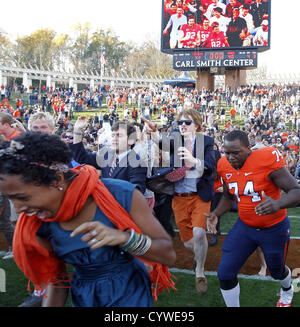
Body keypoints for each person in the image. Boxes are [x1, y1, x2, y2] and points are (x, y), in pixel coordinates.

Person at [0, 133, 176, 307]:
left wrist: (125, 238)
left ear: (56, 180)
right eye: (11, 199)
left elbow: (167, 255)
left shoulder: (120, 194)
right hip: (84, 298)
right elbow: (57, 281)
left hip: (130, 295)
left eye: (23, 198)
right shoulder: (40, 223)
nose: (18, 209)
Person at [206, 130, 300, 307]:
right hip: (245, 227)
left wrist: (278, 204)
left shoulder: (265, 159)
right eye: (227, 153)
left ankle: (287, 290)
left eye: (236, 152)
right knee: (225, 273)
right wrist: (215, 214)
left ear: (248, 149)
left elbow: (296, 191)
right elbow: (228, 196)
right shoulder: (223, 165)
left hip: (274, 227)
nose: (231, 157)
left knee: (277, 271)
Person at [151, 109, 215, 295]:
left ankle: (200, 272)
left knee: (199, 232)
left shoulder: (207, 141)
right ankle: (198, 256)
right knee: (189, 243)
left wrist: (194, 160)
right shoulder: (176, 141)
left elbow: (211, 166)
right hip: (179, 197)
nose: (183, 126)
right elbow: (163, 144)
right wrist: (155, 132)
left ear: (197, 124)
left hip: (199, 196)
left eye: (187, 122)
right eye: (180, 123)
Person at [70, 117, 148, 195]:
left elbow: (137, 193)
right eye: (113, 135)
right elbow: (82, 158)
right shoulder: (107, 156)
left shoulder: (137, 163)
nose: (114, 139)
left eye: (119, 136)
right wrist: (77, 130)